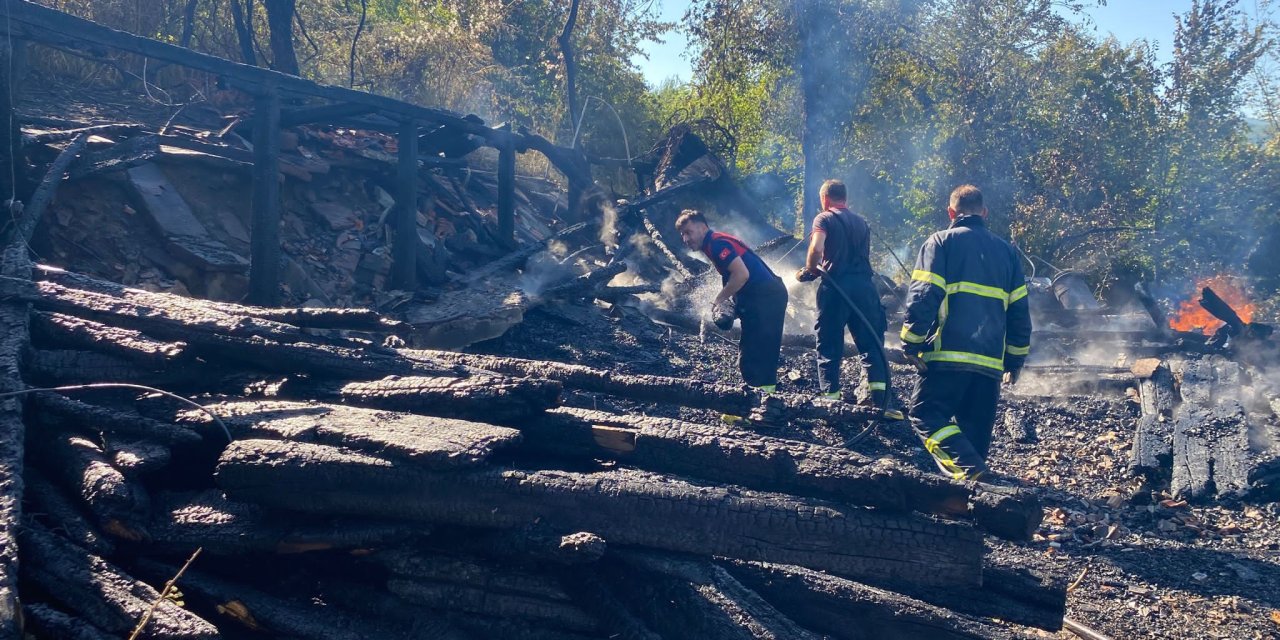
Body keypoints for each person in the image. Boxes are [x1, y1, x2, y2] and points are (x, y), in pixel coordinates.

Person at [899, 185, 1032, 481]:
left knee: (926, 416)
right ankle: (976, 507)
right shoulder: (1007, 253)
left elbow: (924, 295)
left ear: (951, 212)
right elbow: (1020, 313)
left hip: (948, 356)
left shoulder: (940, 243)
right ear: (984, 213)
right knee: (973, 438)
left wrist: (911, 341)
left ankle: (975, 476)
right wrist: (1015, 360)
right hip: (989, 365)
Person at [794, 179, 889, 410]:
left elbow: (816, 248)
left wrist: (809, 270)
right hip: (866, 289)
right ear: (845, 198)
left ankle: (831, 399)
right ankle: (881, 403)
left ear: (825, 198)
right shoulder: (862, 222)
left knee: (828, 342)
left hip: (836, 288)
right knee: (871, 344)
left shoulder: (824, 218)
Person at [675, 209, 788, 393]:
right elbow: (734, 277)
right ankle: (764, 403)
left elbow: (741, 275)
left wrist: (719, 299)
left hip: (766, 298)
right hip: (766, 296)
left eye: (689, 232)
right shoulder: (715, 243)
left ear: (703, 228)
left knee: (754, 356)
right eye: (682, 235)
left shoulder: (717, 244)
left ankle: (761, 407)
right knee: (759, 353)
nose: (686, 239)